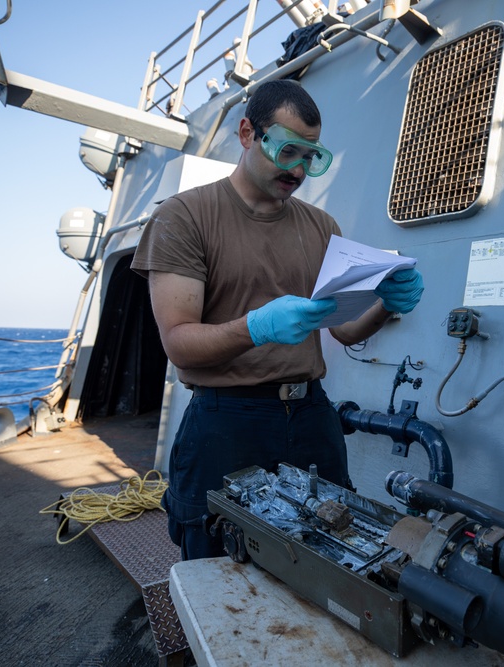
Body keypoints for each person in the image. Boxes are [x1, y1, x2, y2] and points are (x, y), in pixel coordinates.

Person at [131, 79, 424, 560]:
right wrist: (256, 327)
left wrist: (385, 304)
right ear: (248, 133)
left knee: (330, 550)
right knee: (218, 560)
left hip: (312, 415)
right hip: (226, 419)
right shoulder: (184, 216)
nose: (299, 169)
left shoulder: (322, 227)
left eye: (312, 157)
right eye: (288, 150)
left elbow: (344, 331)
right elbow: (179, 343)